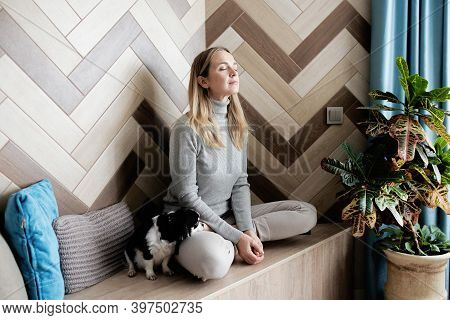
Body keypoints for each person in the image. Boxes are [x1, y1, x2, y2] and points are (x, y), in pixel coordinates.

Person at [162, 47, 317, 281]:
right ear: (203, 81)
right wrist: (236, 236)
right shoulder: (186, 129)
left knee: (306, 213)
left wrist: (245, 230)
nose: (233, 72)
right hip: (191, 223)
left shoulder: (237, 126)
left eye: (235, 66)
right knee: (213, 265)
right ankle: (221, 243)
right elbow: (186, 196)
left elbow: (240, 184)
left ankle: (237, 240)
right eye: (223, 68)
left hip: (227, 217)